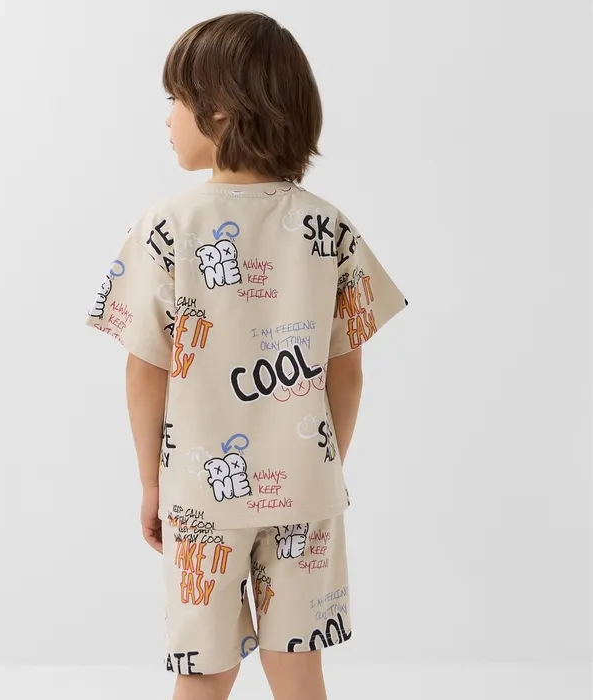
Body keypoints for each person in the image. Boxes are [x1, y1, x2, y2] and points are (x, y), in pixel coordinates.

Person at [84, 11, 408, 700]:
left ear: (221, 111)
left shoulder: (166, 226)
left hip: (201, 496)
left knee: (204, 671)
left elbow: (146, 369)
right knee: (298, 667)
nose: (167, 118)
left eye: (176, 100)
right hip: (305, 491)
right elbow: (348, 370)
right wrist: (320, 465)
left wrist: (151, 483)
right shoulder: (327, 227)